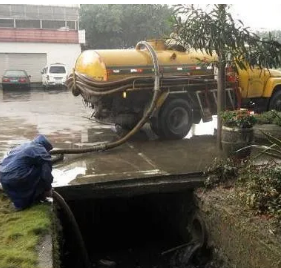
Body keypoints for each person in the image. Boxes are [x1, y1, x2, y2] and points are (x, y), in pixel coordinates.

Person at [0, 135, 53, 210]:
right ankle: (40, 196)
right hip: (17, 178)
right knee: (41, 168)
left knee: (21, 202)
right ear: (46, 147)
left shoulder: (22, 146)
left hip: (3, 177)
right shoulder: (40, 149)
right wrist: (48, 188)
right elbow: (46, 173)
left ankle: (20, 205)